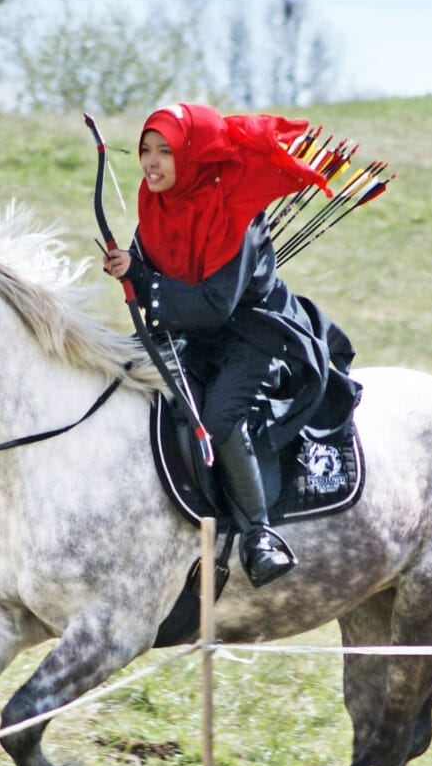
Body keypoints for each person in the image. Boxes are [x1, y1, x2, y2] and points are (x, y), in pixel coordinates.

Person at [103, 102, 360, 587]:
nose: (152, 163)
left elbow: (217, 304)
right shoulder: (155, 205)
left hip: (258, 335)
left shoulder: (237, 214)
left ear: (193, 157)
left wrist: (144, 281)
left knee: (218, 418)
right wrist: (128, 269)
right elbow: (151, 272)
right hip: (196, 337)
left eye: (165, 152)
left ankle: (259, 535)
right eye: (146, 151)